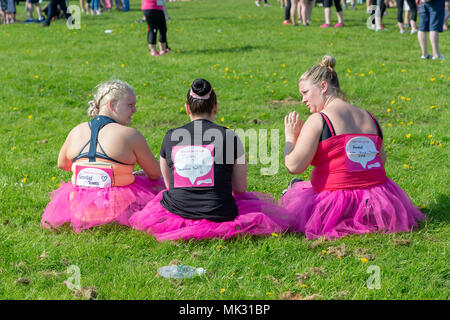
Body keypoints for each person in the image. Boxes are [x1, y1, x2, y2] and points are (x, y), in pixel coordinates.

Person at [280, 56, 426, 240]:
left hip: (334, 205)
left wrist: (290, 138)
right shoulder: (370, 117)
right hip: (377, 202)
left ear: (323, 87)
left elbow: (293, 166)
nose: (303, 100)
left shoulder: (319, 120)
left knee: (295, 191)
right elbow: (380, 160)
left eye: (305, 92)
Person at [129, 79, 290, 241]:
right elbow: (240, 188)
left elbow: (169, 184)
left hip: (178, 210)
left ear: (187, 108)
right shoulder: (229, 137)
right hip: (219, 212)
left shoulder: (170, 137)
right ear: (215, 108)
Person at [41, 80, 164, 233]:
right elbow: (155, 173)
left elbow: (62, 164)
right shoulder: (130, 135)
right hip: (117, 206)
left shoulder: (77, 131)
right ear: (112, 105)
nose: (135, 110)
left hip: (77, 204)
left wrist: (95, 170)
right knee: (163, 183)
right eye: (130, 105)